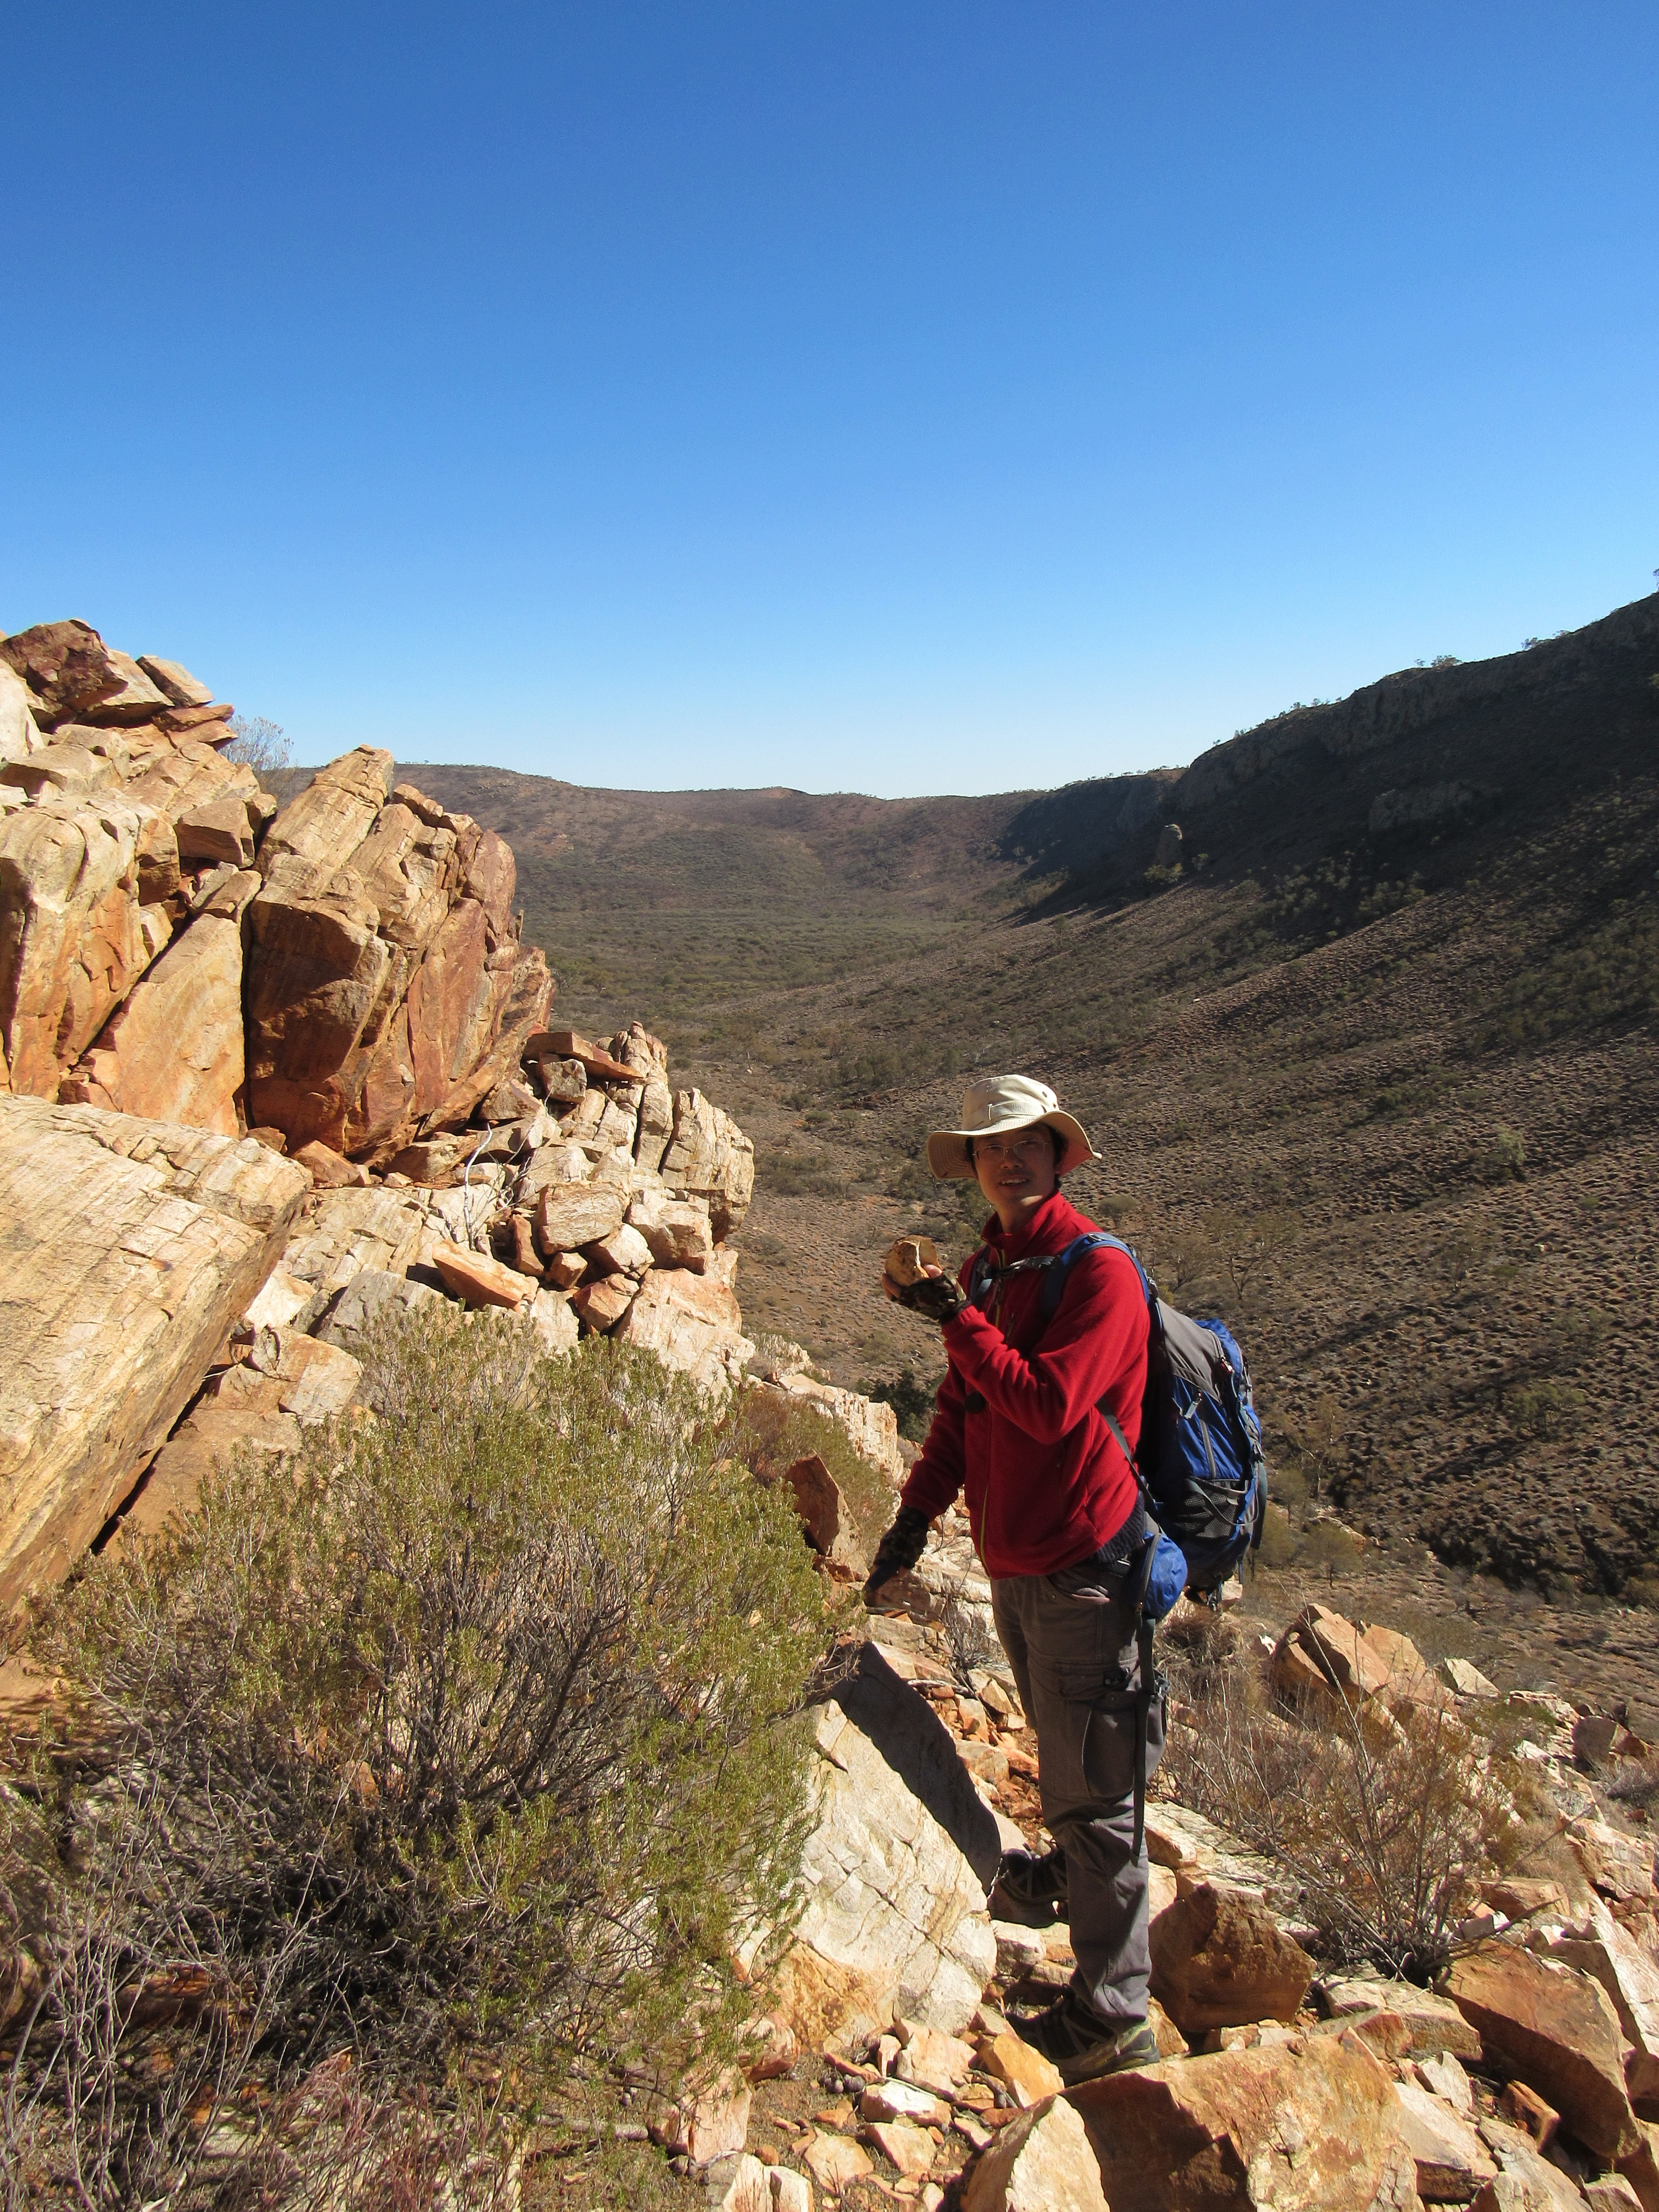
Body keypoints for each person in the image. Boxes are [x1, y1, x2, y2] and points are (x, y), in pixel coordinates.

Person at [868, 1073, 1163, 2085]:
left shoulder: (1099, 1275)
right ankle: (1075, 1893)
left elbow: (1044, 1407)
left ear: (1058, 1153)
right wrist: (914, 1516)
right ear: (977, 1167)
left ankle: (1116, 2011)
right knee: (1063, 1751)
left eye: (1025, 1143)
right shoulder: (992, 1269)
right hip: (1016, 1559)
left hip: (1086, 1562)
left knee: (1099, 1781)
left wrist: (955, 1315)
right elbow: (966, 1410)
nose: (1007, 1160)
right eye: (989, 1148)